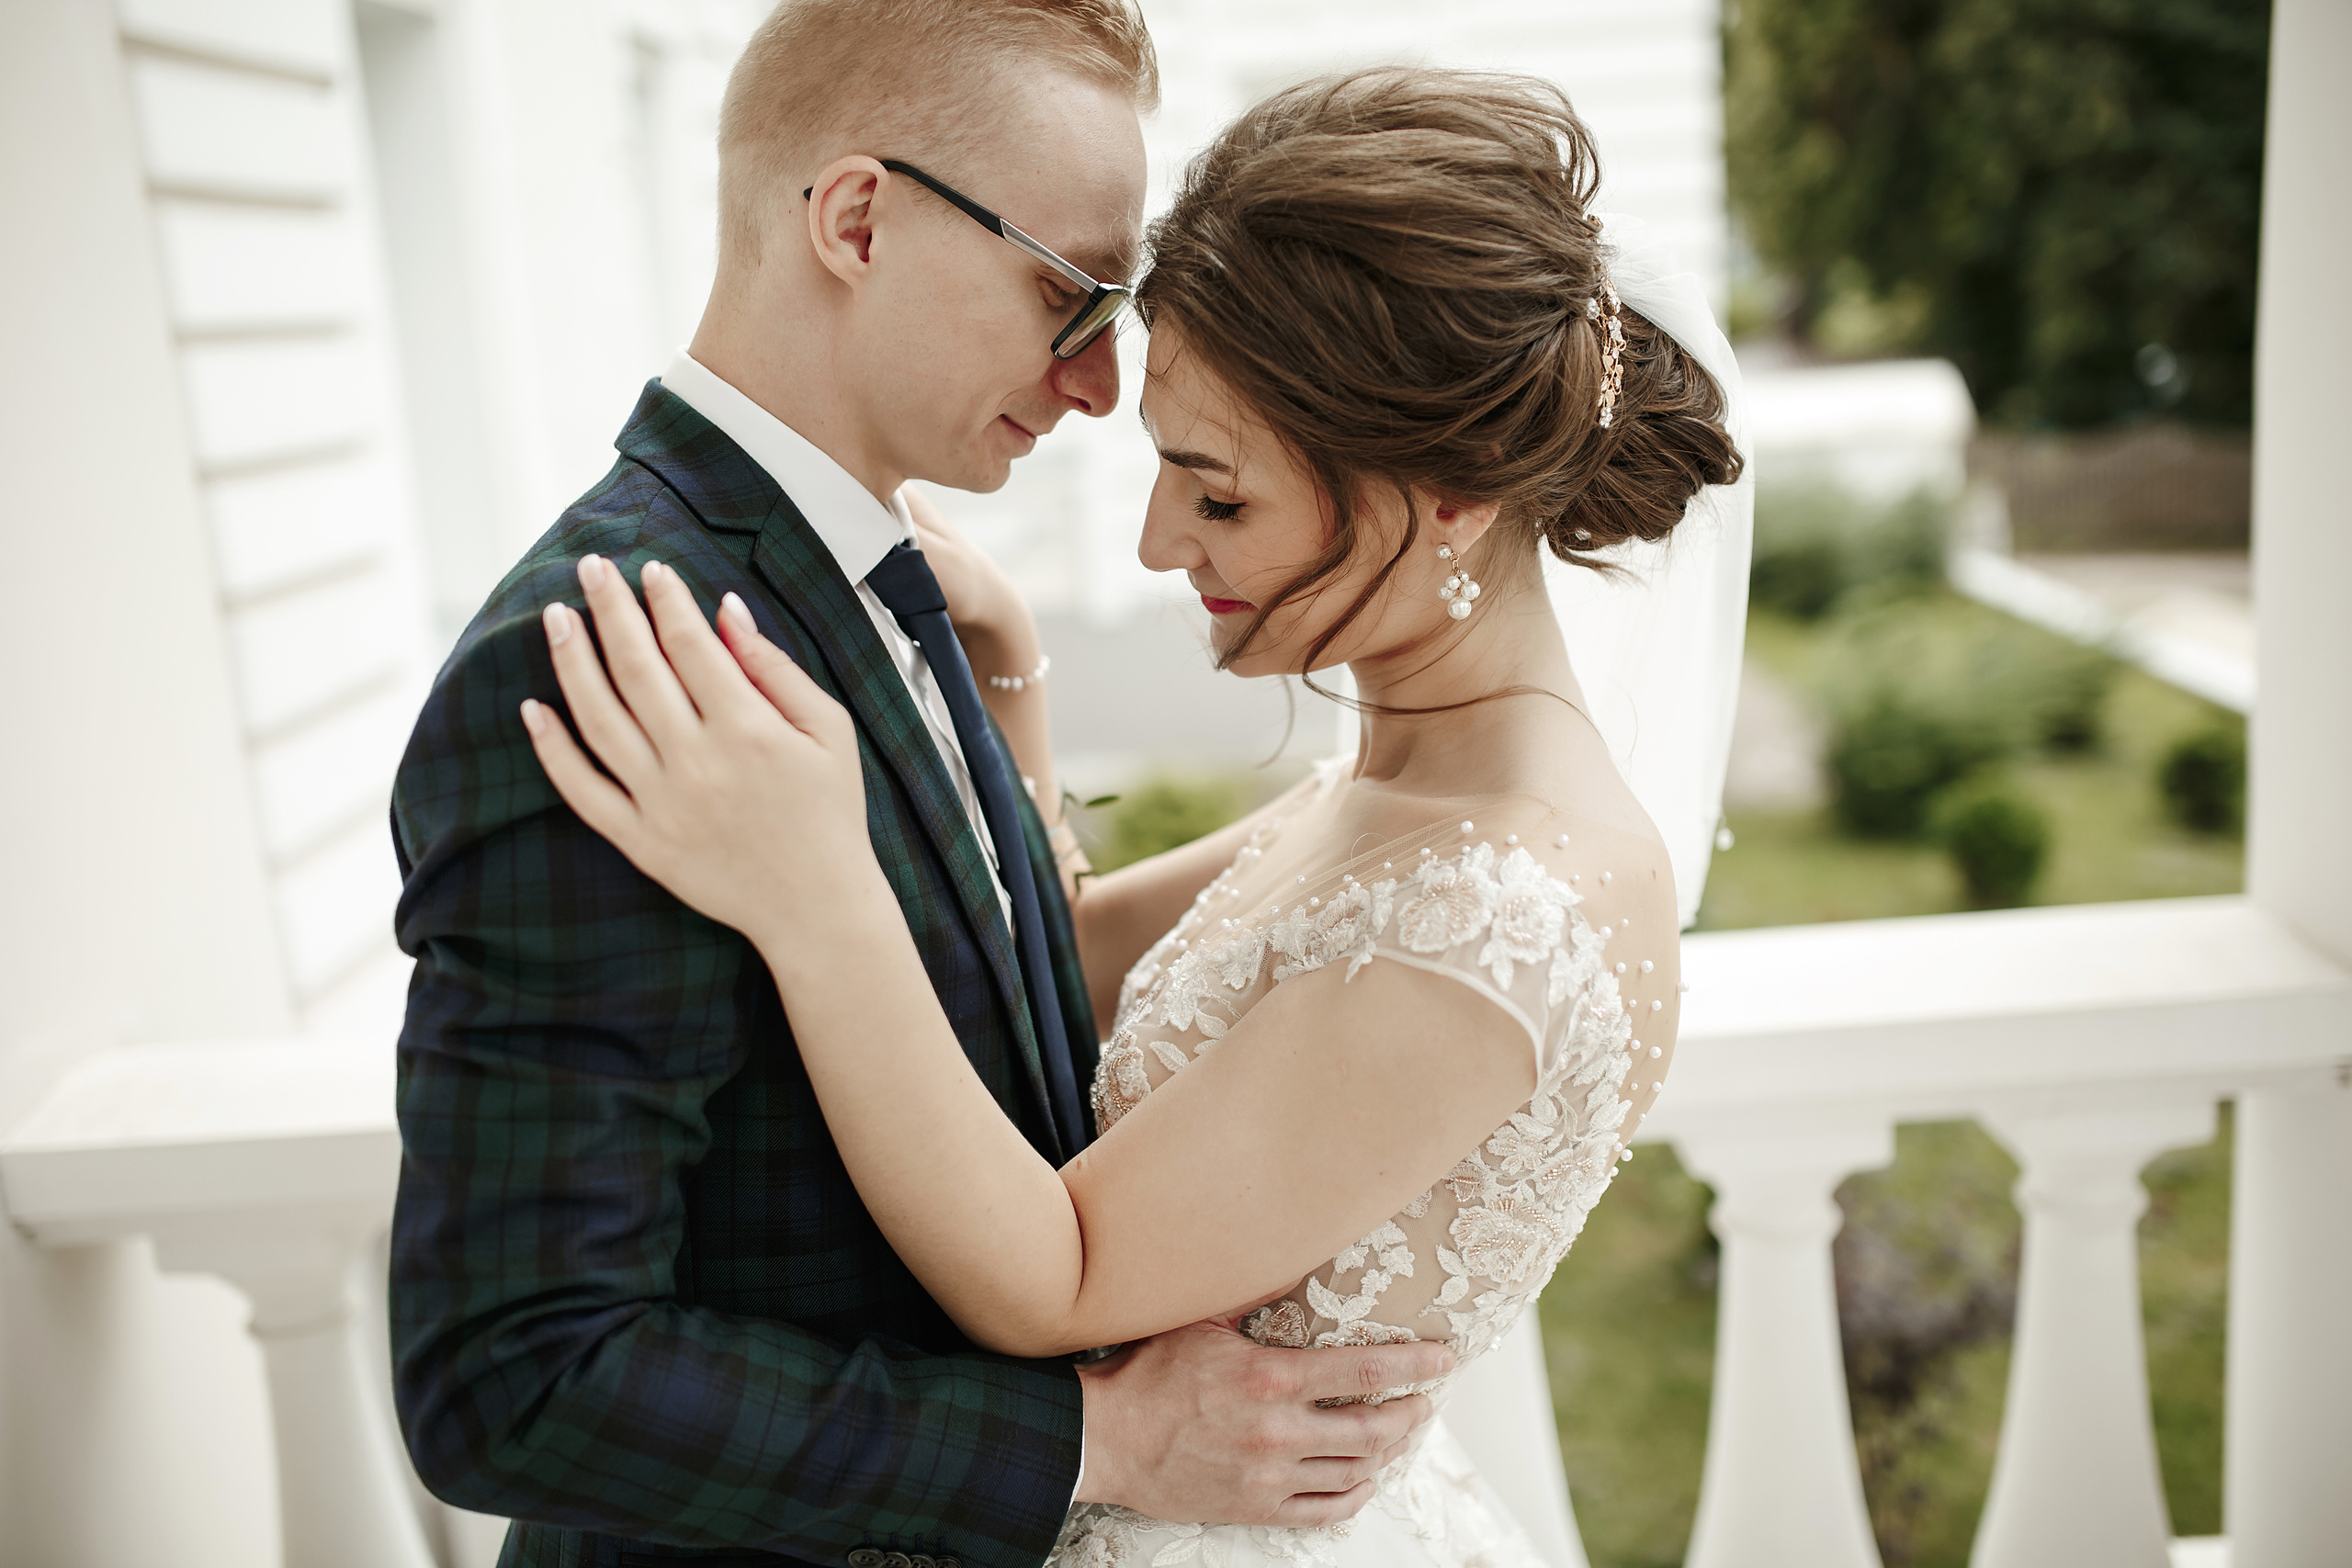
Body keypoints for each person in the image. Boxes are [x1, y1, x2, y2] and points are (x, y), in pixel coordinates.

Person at [517, 66, 1746, 1568]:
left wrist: (813, 889)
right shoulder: (1405, 788)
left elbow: (1058, 1273)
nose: (1165, 542)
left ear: (1448, 496)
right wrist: (1012, 674)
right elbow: (1080, 965)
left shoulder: (1498, 914)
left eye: (1215, 495)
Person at [388, 8, 1460, 1568]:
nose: (1100, 383)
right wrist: (1108, 1439)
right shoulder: (622, 654)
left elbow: (999, 1012)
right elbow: (520, 1379)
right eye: (1067, 294)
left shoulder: (884, 575)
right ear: (858, 218)